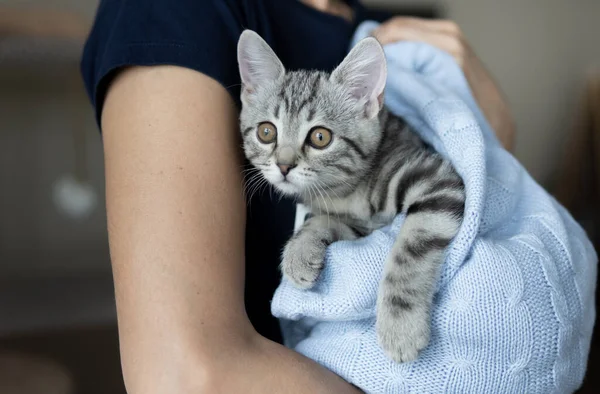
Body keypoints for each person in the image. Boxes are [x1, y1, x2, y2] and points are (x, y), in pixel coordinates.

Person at [80, 0, 515, 392]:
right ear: (249, 95)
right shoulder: (171, 12)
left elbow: (457, 190)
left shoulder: (389, 32)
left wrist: (495, 116)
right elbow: (186, 376)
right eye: (267, 133)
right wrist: (320, 229)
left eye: (317, 136)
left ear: (368, 104)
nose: (284, 161)